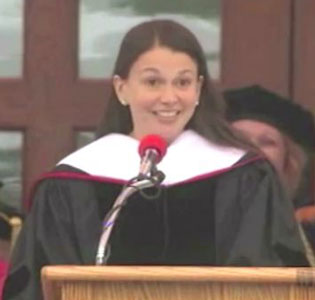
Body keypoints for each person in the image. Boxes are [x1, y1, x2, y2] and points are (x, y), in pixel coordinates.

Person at [3, 20, 309, 300]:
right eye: (153, 82)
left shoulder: (245, 176)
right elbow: (36, 287)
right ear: (122, 88)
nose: (169, 97)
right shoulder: (70, 184)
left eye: (183, 82)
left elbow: (273, 280)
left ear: (199, 88)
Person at [224, 84, 315, 255]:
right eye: (237, 139)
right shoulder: (192, 222)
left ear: (288, 162)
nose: (252, 149)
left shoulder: (308, 228)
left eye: (267, 142)